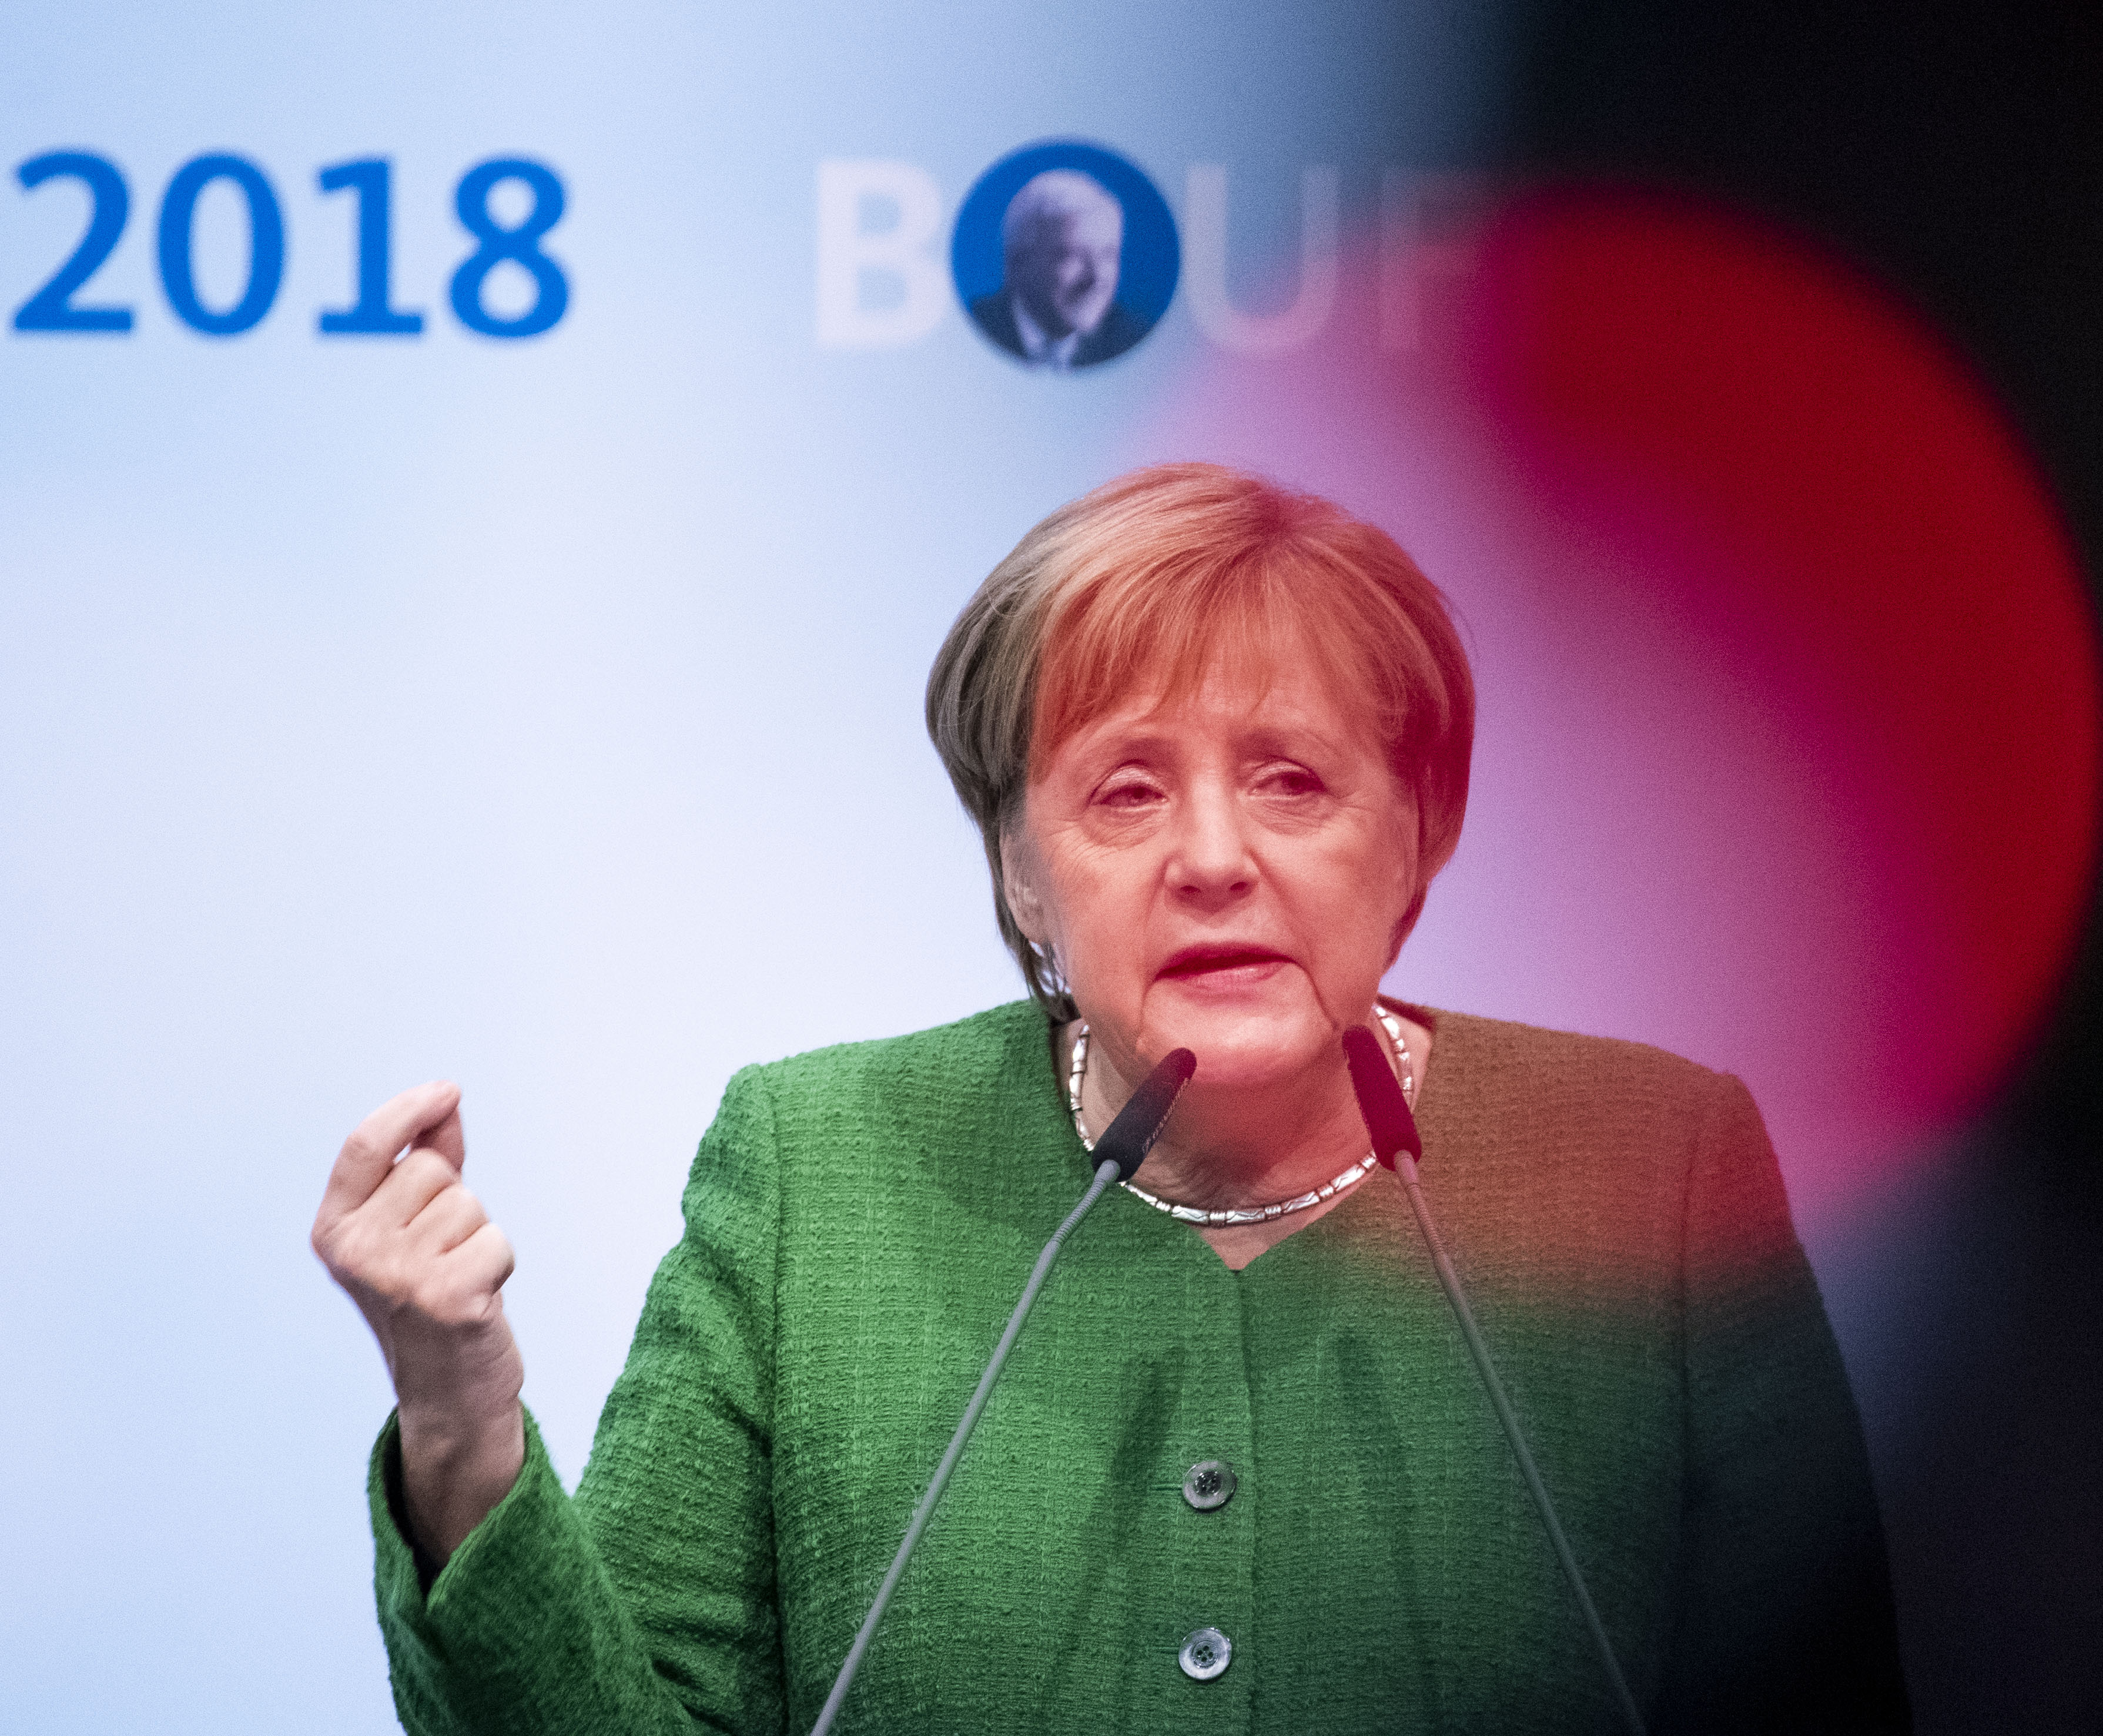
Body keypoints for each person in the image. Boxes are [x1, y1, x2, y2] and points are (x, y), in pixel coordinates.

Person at [312, 463, 1908, 1732]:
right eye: (1125, 787)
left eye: (1290, 777)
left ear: (1414, 832)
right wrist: (460, 1417)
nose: (1212, 856)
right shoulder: (813, 1171)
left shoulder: (1653, 1166)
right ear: (1020, 869)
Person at [966, 167, 1152, 370]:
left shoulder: (1135, 343)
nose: (1097, 278)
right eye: (1072, 255)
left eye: (1108, 255)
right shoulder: (967, 333)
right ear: (1018, 264)